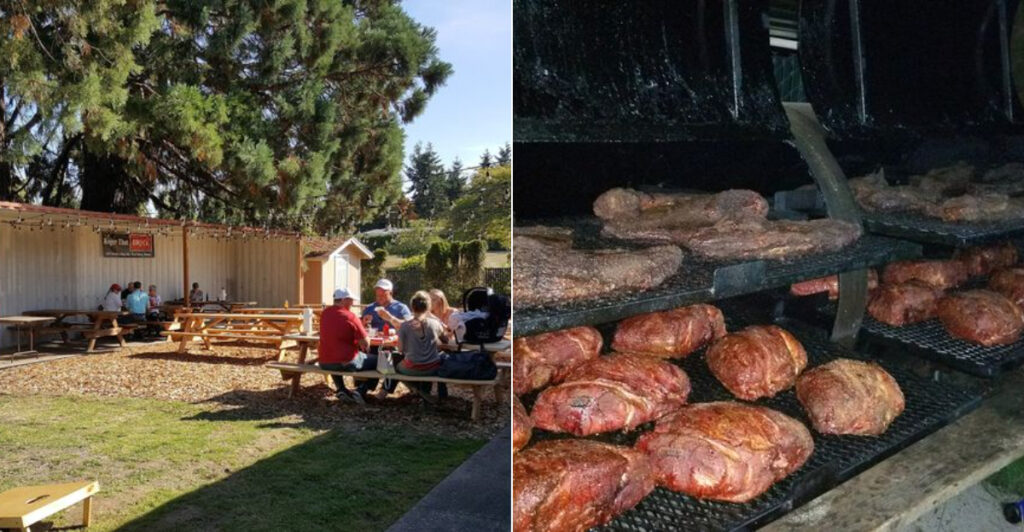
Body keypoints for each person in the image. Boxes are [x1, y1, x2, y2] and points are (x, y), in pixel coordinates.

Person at [372, 291, 449, 402]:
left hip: (412, 368)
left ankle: (413, 390)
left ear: (412, 307)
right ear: (428, 307)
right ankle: (426, 393)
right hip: (432, 368)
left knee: (391, 362)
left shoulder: (405, 326)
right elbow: (445, 340)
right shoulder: (435, 324)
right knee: (437, 358)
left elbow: (401, 349)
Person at [319, 288, 381, 405]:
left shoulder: (325, 313)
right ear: (343, 300)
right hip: (345, 361)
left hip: (324, 361)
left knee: (334, 354)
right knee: (379, 361)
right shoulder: (350, 316)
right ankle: (361, 390)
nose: (352, 303)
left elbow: (337, 332)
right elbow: (366, 342)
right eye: (351, 300)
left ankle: (341, 389)